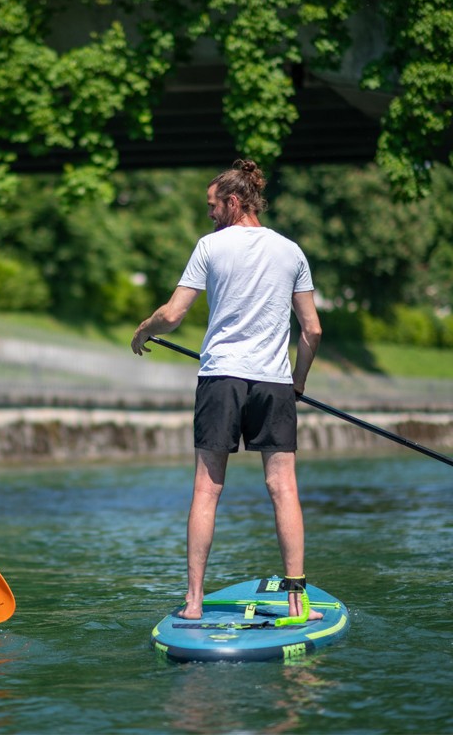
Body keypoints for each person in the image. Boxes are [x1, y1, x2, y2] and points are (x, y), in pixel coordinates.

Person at [131, 159, 323, 622]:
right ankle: (299, 602)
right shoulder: (291, 251)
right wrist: (297, 382)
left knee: (206, 488)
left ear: (234, 202)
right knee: (283, 487)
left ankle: (194, 603)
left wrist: (144, 329)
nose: (210, 214)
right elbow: (312, 330)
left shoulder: (210, 248)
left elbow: (174, 314)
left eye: (213, 205)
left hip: (221, 380)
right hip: (274, 384)